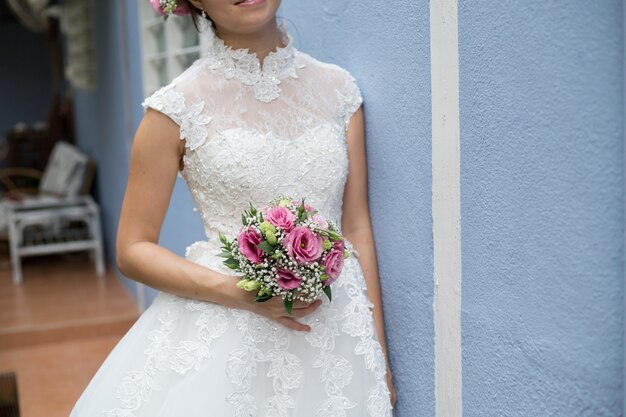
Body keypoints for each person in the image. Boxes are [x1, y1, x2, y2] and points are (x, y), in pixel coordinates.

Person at [70, 0, 397, 415]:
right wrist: (240, 294)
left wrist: (377, 351)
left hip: (337, 336)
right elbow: (132, 249)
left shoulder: (340, 91)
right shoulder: (174, 109)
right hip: (230, 340)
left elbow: (356, 229)